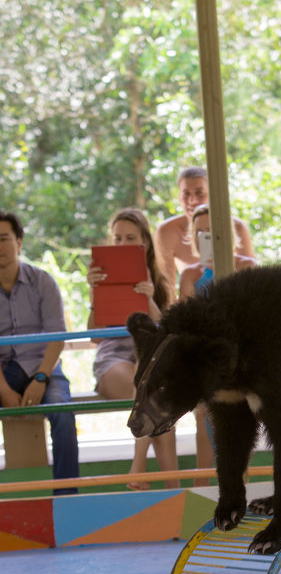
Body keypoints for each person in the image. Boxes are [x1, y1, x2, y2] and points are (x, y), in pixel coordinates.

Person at [87, 208, 178, 489]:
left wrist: (149, 299)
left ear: (145, 243)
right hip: (114, 362)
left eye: (130, 238)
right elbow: (94, 337)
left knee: (153, 385)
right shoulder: (100, 280)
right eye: (117, 239)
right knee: (154, 393)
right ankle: (172, 486)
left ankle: (140, 470)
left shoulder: (159, 282)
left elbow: (167, 336)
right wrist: (94, 294)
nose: (123, 245)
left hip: (149, 362)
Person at [0, 210, 79, 494]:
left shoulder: (42, 281)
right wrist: (4, 390)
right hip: (3, 372)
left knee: (64, 414)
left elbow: (57, 337)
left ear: (19, 242)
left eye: (4, 238)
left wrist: (42, 377)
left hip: (44, 368)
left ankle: (67, 498)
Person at [179, 203, 256, 484]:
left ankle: (241, 478)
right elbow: (185, 321)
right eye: (200, 233)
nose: (206, 238)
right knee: (204, 411)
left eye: (211, 232)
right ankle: (203, 483)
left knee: (242, 411)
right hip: (208, 358)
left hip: (244, 356)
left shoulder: (247, 267)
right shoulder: (191, 275)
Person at [155, 166, 255, 291]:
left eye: (199, 193)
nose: (192, 201)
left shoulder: (237, 227)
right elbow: (166, 286)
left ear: (212, 195)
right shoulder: (167, 231)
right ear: (179, 198)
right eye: (186, 194)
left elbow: (251, 280)